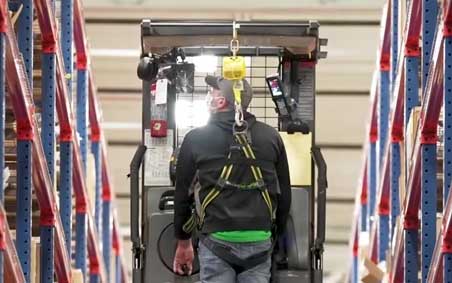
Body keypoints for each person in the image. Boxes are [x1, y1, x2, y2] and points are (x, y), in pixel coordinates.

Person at [173, 75, 292, 283]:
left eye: (212, 92)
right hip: (260, 243)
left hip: (216, 243)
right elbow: (284, 196)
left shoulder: (195, 139)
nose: (208, 95)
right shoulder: (272, 137)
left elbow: (183, 195)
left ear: (221, 102)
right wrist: (275, 235)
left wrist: (184, 243)